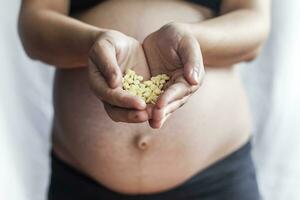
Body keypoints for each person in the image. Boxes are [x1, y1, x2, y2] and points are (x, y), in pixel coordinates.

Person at [18, 0, 270, 199]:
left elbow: (254, 25)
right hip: (82, 181)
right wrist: (93, 43)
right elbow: (34, 25)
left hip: (214, 179)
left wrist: (191, 39)